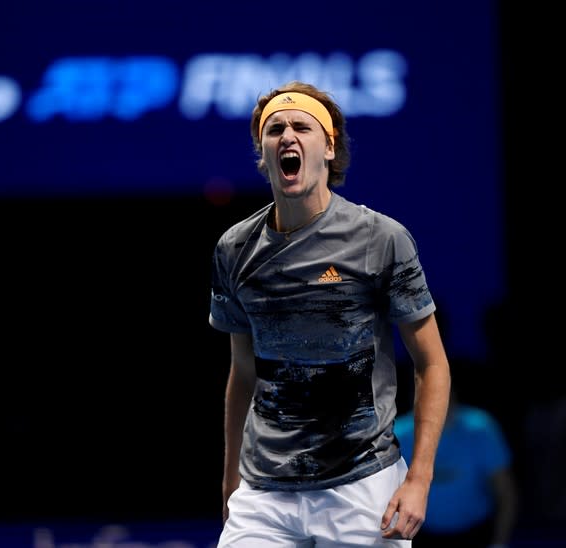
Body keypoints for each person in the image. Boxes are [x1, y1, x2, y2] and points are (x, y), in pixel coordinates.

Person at [207, 80, 451, 546]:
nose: (287, 136)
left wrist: (419, 479)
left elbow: (432, 364)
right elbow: (242, 373)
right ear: (265, 150)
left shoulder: (381, 239)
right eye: (275, 129)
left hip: (363, 485)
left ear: (329, 146)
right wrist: (229, 480)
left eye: (302, 125)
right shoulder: (234, 248)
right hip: (264, 491)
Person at [393, 361, 518, 547]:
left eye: (439, 392)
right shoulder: (399, 432)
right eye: (424, 393)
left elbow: (506, 492)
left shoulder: (480, 428)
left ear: (453, 392)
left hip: (475, 533)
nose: (433, 400)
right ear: (415, 396)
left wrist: (499, 543)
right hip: (420, 535)